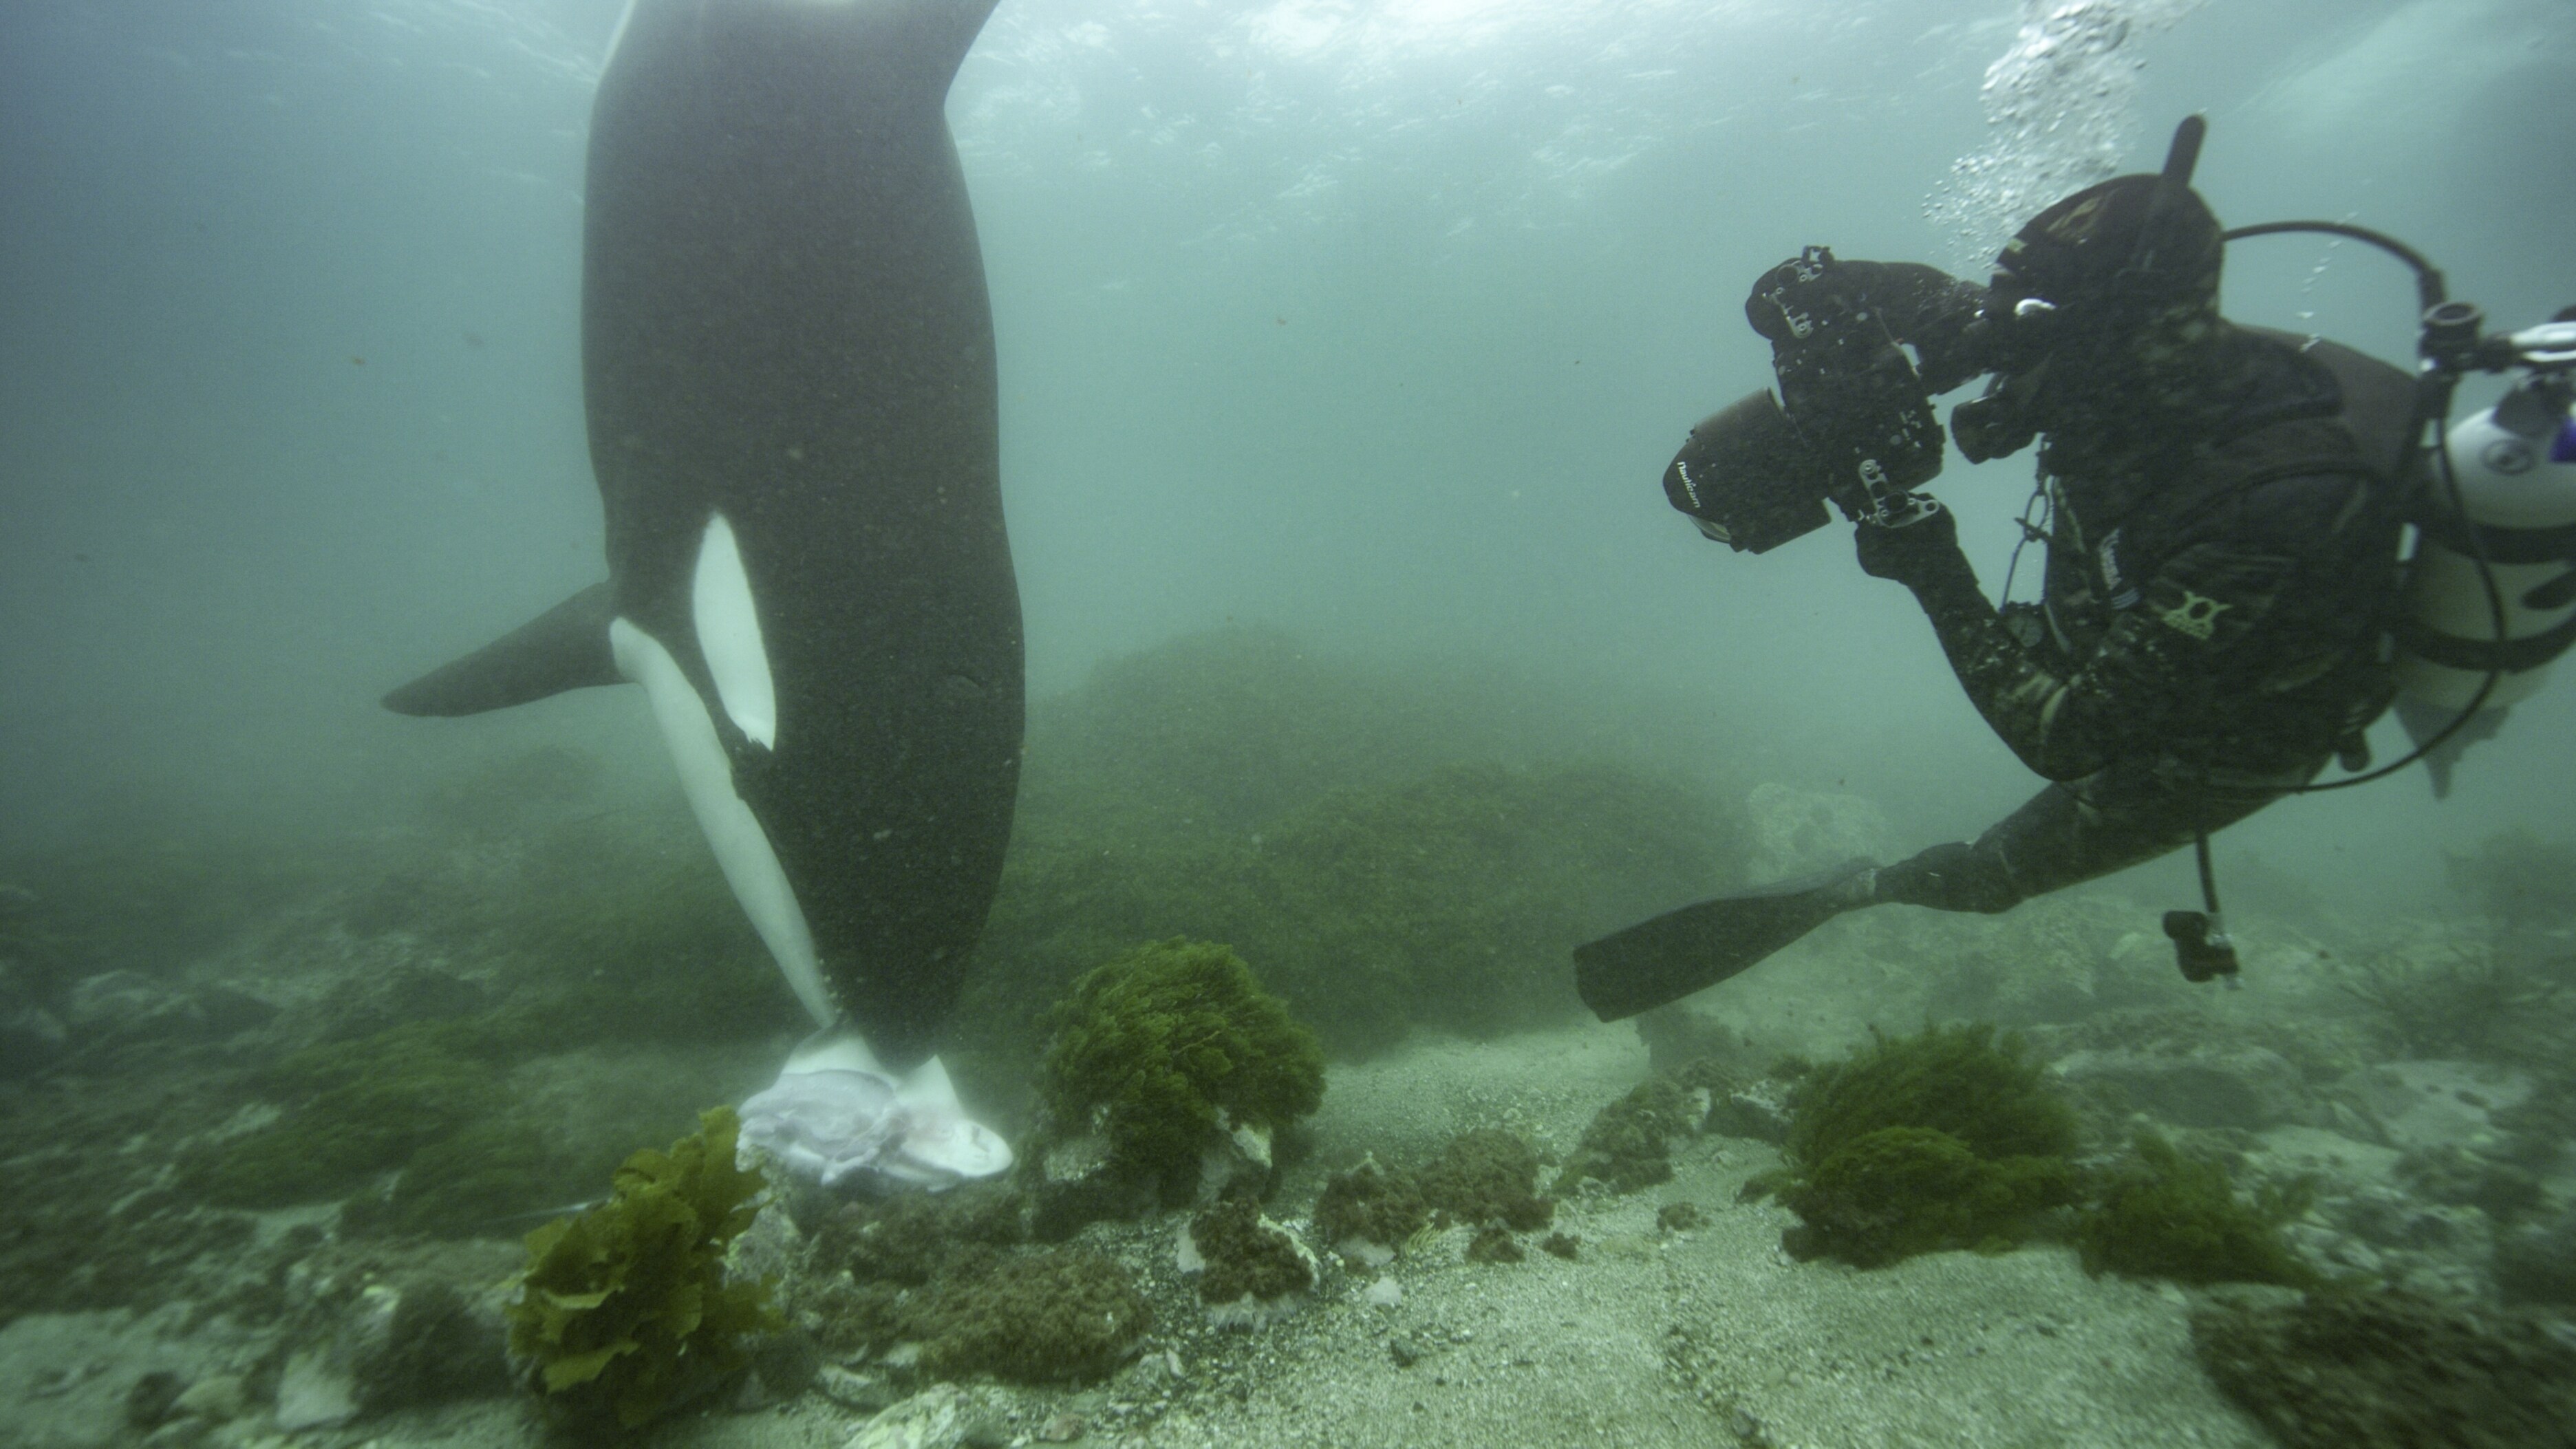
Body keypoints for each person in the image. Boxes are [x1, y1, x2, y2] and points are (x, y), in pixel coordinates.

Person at [1576, 121, 2421, 1021]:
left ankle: (1858, 891)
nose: (1998, 354)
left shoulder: (2274, 501)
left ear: (2112, 333)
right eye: (2010, 317)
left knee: (1988, 873)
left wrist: (1930, 566)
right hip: (2118, 611)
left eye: (2024, 331)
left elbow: (2069, 741)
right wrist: (1817, 302)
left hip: (2236, 724)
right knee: (2054, 644)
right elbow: (1945, 311)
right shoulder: (2108, 352)